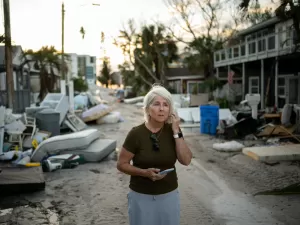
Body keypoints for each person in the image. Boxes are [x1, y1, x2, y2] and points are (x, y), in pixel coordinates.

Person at [117, 84, 192, 225]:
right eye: (157, 104)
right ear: (147, 108)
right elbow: (121, 164)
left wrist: (176, 131)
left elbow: (186, 160)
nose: (162, 108)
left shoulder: (173, 131)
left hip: (169, 196)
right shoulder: (136, 134)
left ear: (170, 110)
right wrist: (144, 173)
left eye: (166, 105)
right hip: (141, 196)